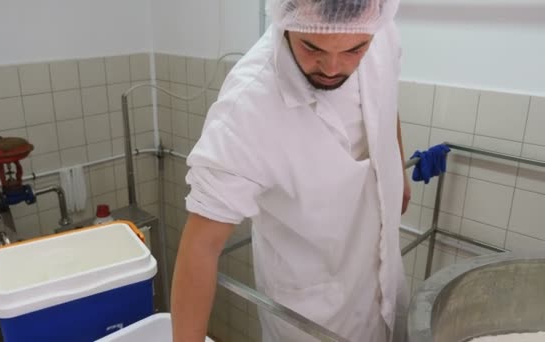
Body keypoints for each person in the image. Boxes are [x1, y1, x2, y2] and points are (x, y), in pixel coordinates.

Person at [171, 0, 411, 340]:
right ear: (286, 17)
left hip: (380, 277)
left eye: (355, 51)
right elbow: (201, 245)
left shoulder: (378, 26)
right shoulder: (248, 107)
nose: (331, 67)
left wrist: (396, 168)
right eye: (312, 47)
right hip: (311, 313)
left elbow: (386, 97)